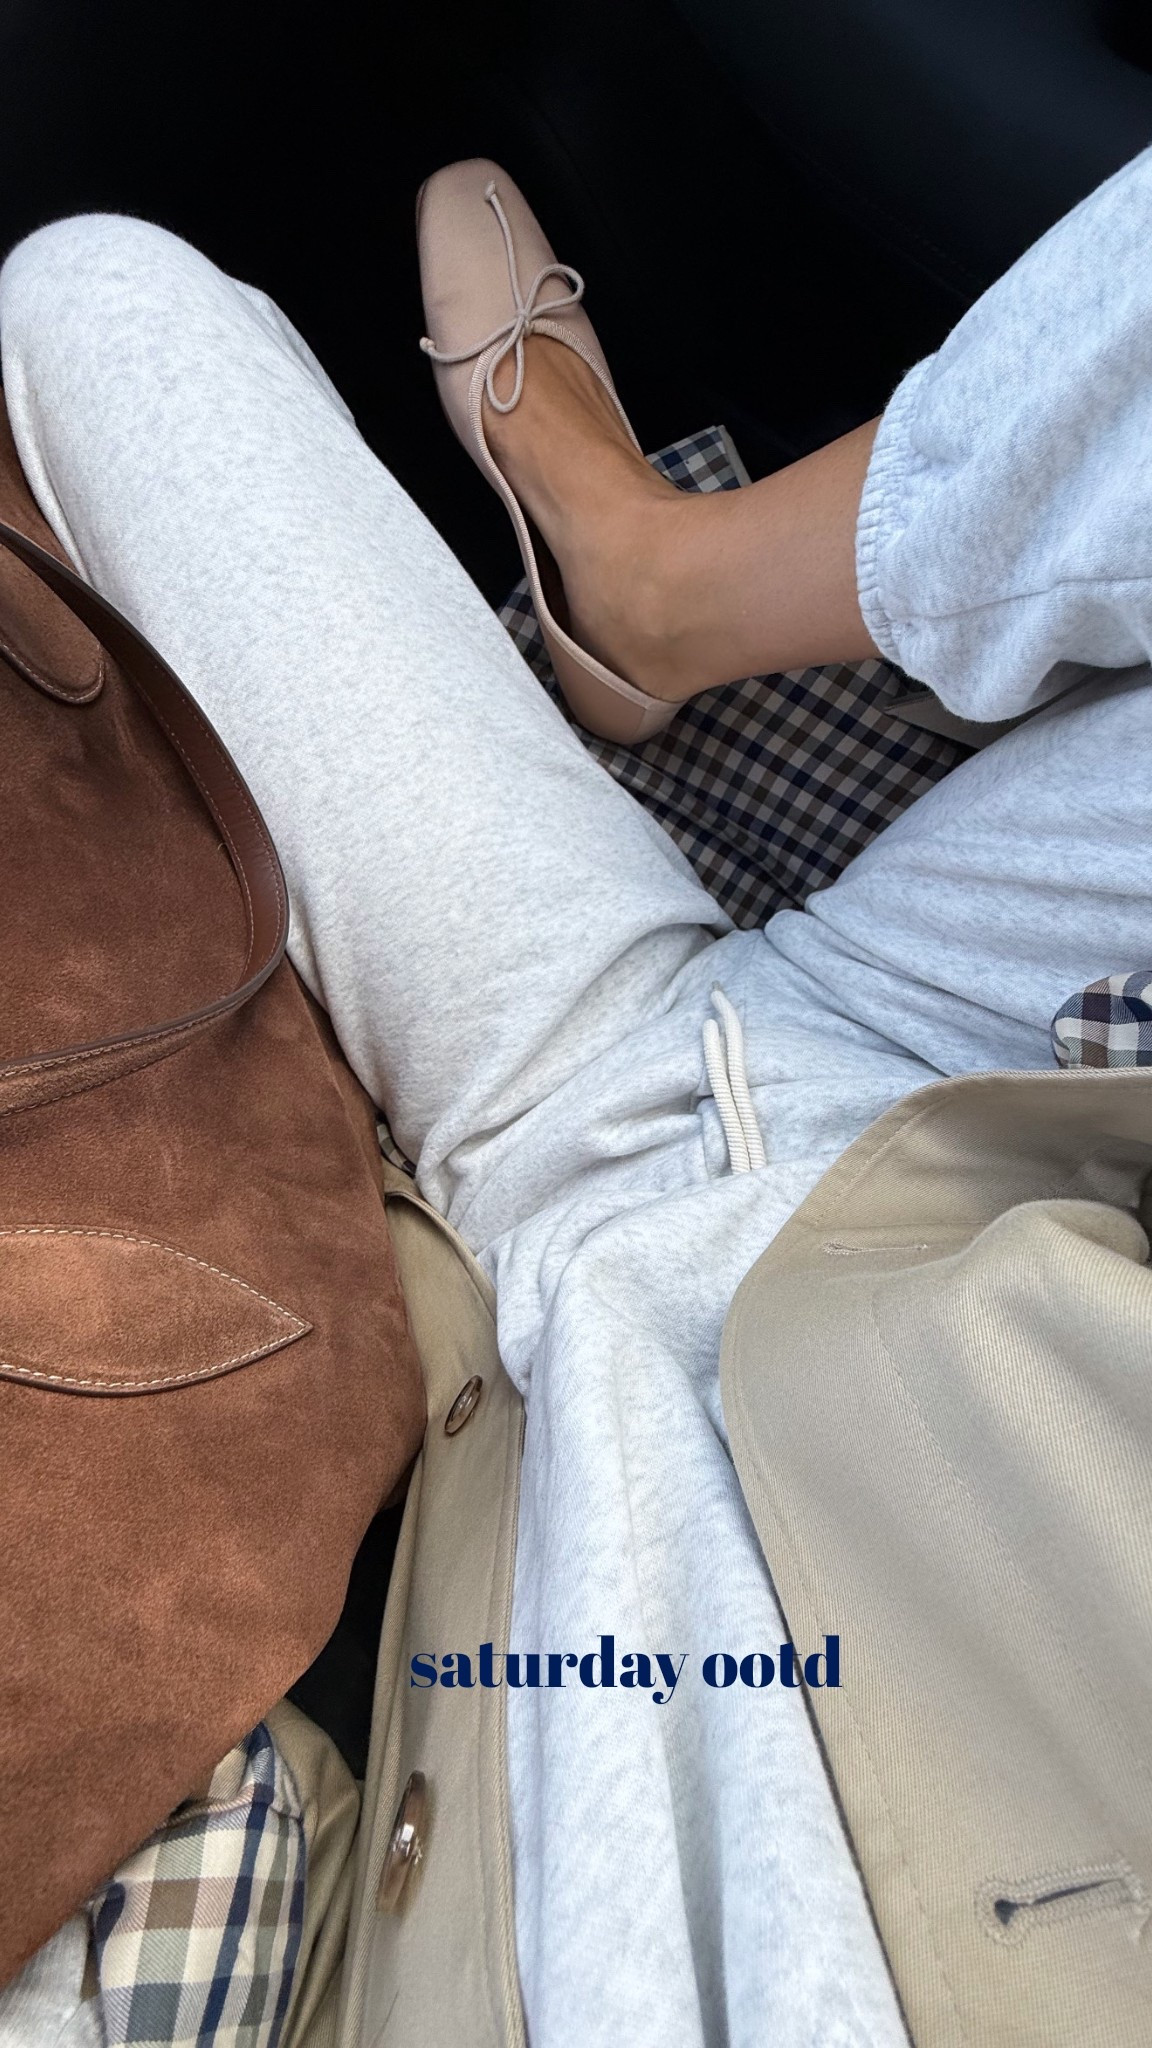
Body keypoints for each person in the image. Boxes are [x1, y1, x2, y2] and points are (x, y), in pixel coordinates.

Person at [1, 139, 1151, 2048]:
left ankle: (667, 603)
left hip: (570, 1209)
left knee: (88, 310)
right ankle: (661, 585)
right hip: (1013, 1130)